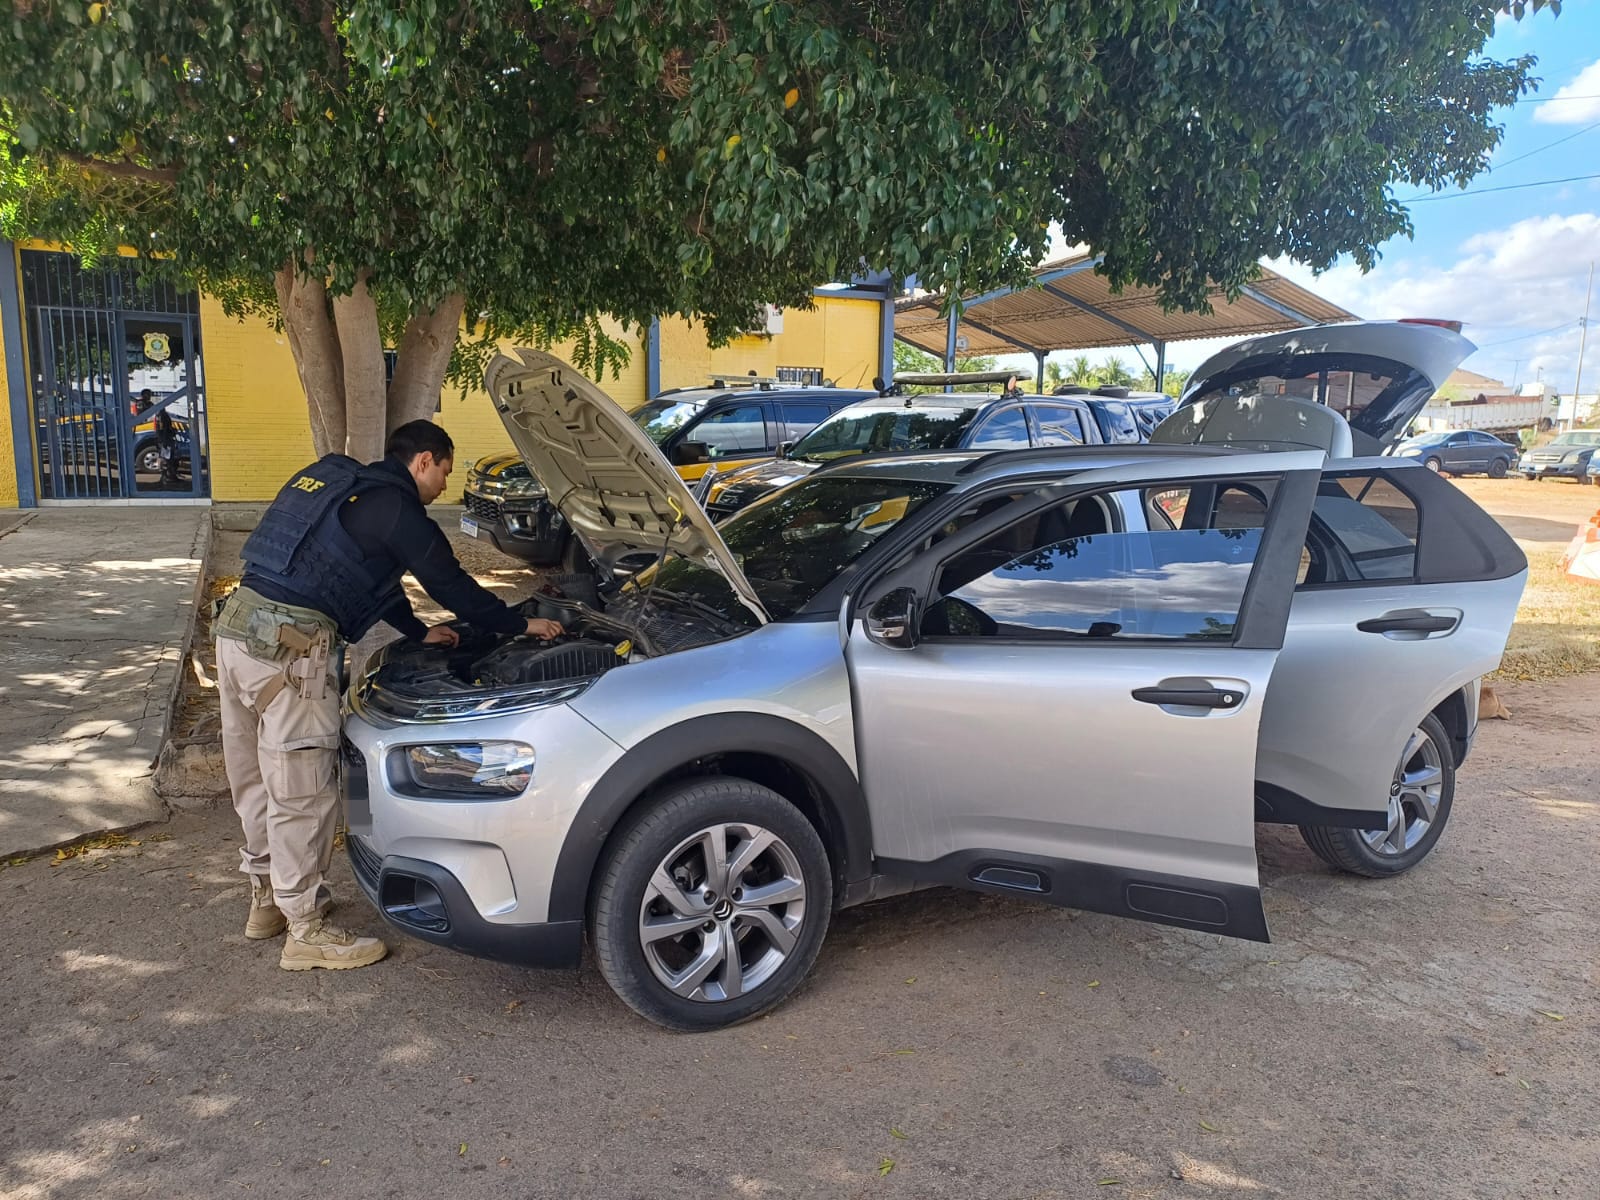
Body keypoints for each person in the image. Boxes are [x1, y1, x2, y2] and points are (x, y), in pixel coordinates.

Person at [214, 420, 563, 971]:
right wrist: (517, 626)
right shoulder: (402, 512)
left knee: (255, 780)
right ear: (424, 460)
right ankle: (305, 930)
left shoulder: (339, 484)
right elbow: (452, 586)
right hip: (292, 653)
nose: (444, 486)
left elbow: (359, 577)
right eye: (445, 471)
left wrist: (416, 631)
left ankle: (268, 902)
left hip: (237, 632)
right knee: (301, 792)